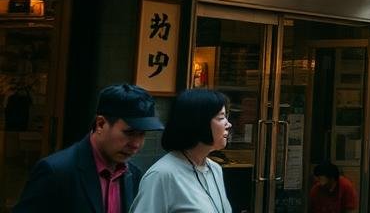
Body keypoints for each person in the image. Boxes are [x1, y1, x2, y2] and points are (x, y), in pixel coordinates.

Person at [14, 83, 163, 213]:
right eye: (129, 133)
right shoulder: (56, 171)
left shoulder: (133, 175)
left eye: (142, 134)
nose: (136, 144)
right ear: (100, 124)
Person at [130, 89, 232, 213]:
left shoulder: (215, 169)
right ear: (199, 122)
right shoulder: (162, 175)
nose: (228, 124)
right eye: (221, 118)